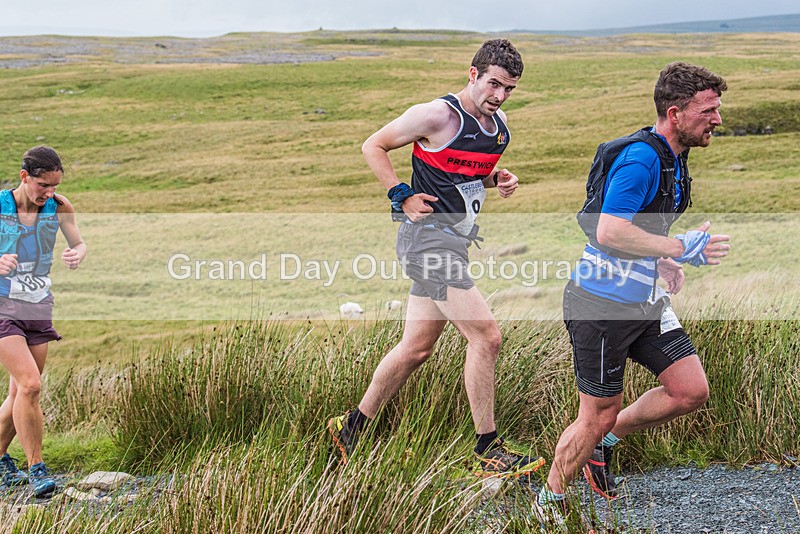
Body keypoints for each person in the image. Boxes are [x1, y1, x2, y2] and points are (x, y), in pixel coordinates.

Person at [328, 39, 544, 477]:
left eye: (509, 89)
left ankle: (350, 427)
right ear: (473, 74)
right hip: (426, 241)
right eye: (494, 84)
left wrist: (496, 178)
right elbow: (374, 145)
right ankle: (488, 450)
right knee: (487, 337)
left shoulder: (499, 126)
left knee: (416, 349)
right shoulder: (437, 115)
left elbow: (467, 173)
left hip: (455, 242)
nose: (499, 96)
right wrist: (401, 196)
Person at [535, 62, 730, 522]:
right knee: (596, 414)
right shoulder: (642, 159)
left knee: (689, 391)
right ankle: (548, 504)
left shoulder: (674, 156)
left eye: (718, 109)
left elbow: (637, 231)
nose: (718, 120)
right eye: (709, 110)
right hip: (601, 305)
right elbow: (610, 230)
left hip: (644, 300)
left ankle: (599, 448)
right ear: (676, 112)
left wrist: (660, 260)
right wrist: (681, 248)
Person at [0, 146, 87, 497]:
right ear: (25, 177)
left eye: (54, 186)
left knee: (20, 392)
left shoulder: (59, 206)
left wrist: (75, 254)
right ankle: (37, 468)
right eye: (43, 186)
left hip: (37, 304)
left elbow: (79, 243)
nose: (48, 193)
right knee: (31, 385)